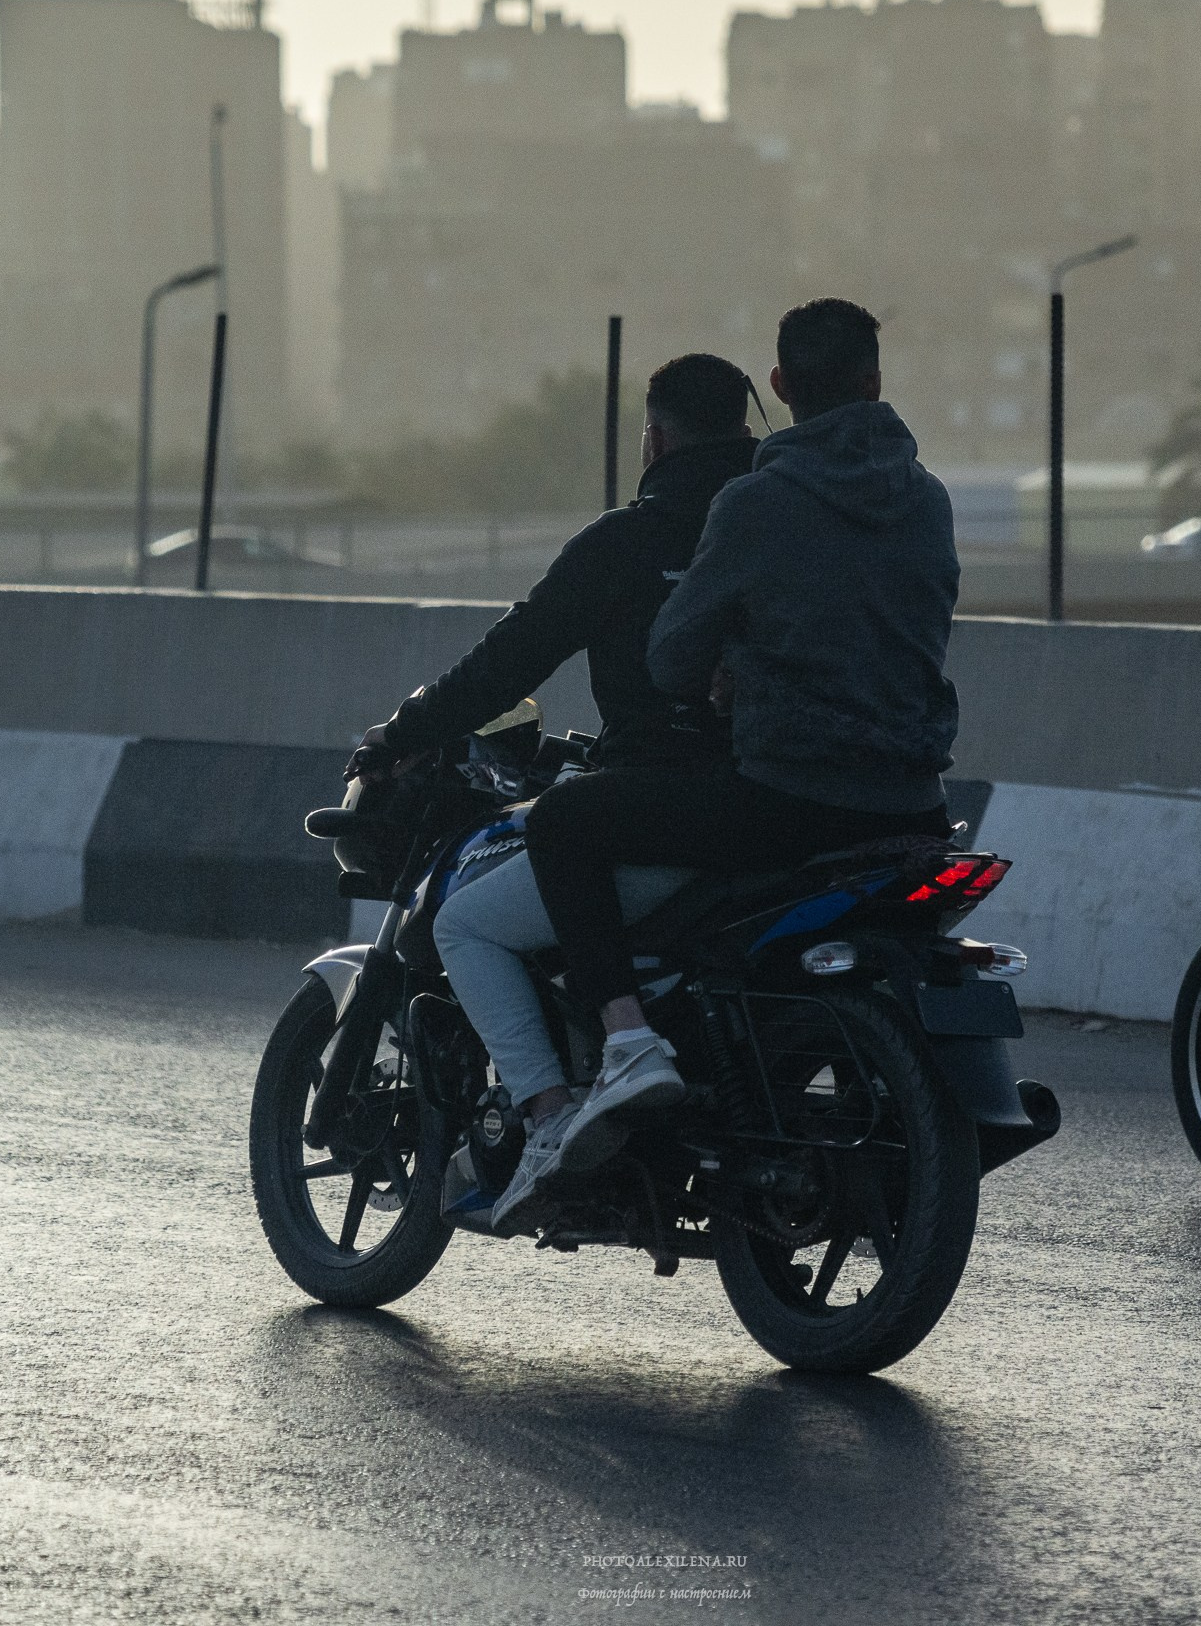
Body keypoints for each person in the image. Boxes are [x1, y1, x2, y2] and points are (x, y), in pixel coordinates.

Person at [505, 297, 960, 1216]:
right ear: (875, 384)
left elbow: (673, 657)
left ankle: (628, 1043)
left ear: (783, 386)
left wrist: (735, 667)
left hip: (787, 800)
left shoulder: (756, 503)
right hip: (915, 803)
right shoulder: (928, 500)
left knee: (564, 822)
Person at [344, 354, 760, 1229]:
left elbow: (508, 662)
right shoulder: (791, 527)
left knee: (467, 921)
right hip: (795, 806)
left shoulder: (631, 539)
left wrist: (402, 734)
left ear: (655, 436)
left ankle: (546, 1117)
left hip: (672, 813)